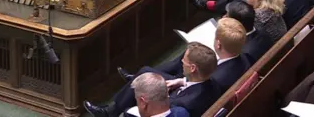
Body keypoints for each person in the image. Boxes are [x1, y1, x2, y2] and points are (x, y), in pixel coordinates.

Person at [84, 42, 219, 117]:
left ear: (193, 68)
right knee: (145, 71)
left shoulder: (184, 105)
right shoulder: (211, 81)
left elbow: (161, 108)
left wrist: (161, 91)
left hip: (168, 101)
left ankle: (109, 113)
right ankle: (115, 106)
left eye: (184, 62)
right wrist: (182, 81)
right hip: (182, 90)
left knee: (145, 86)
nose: (182, 62)